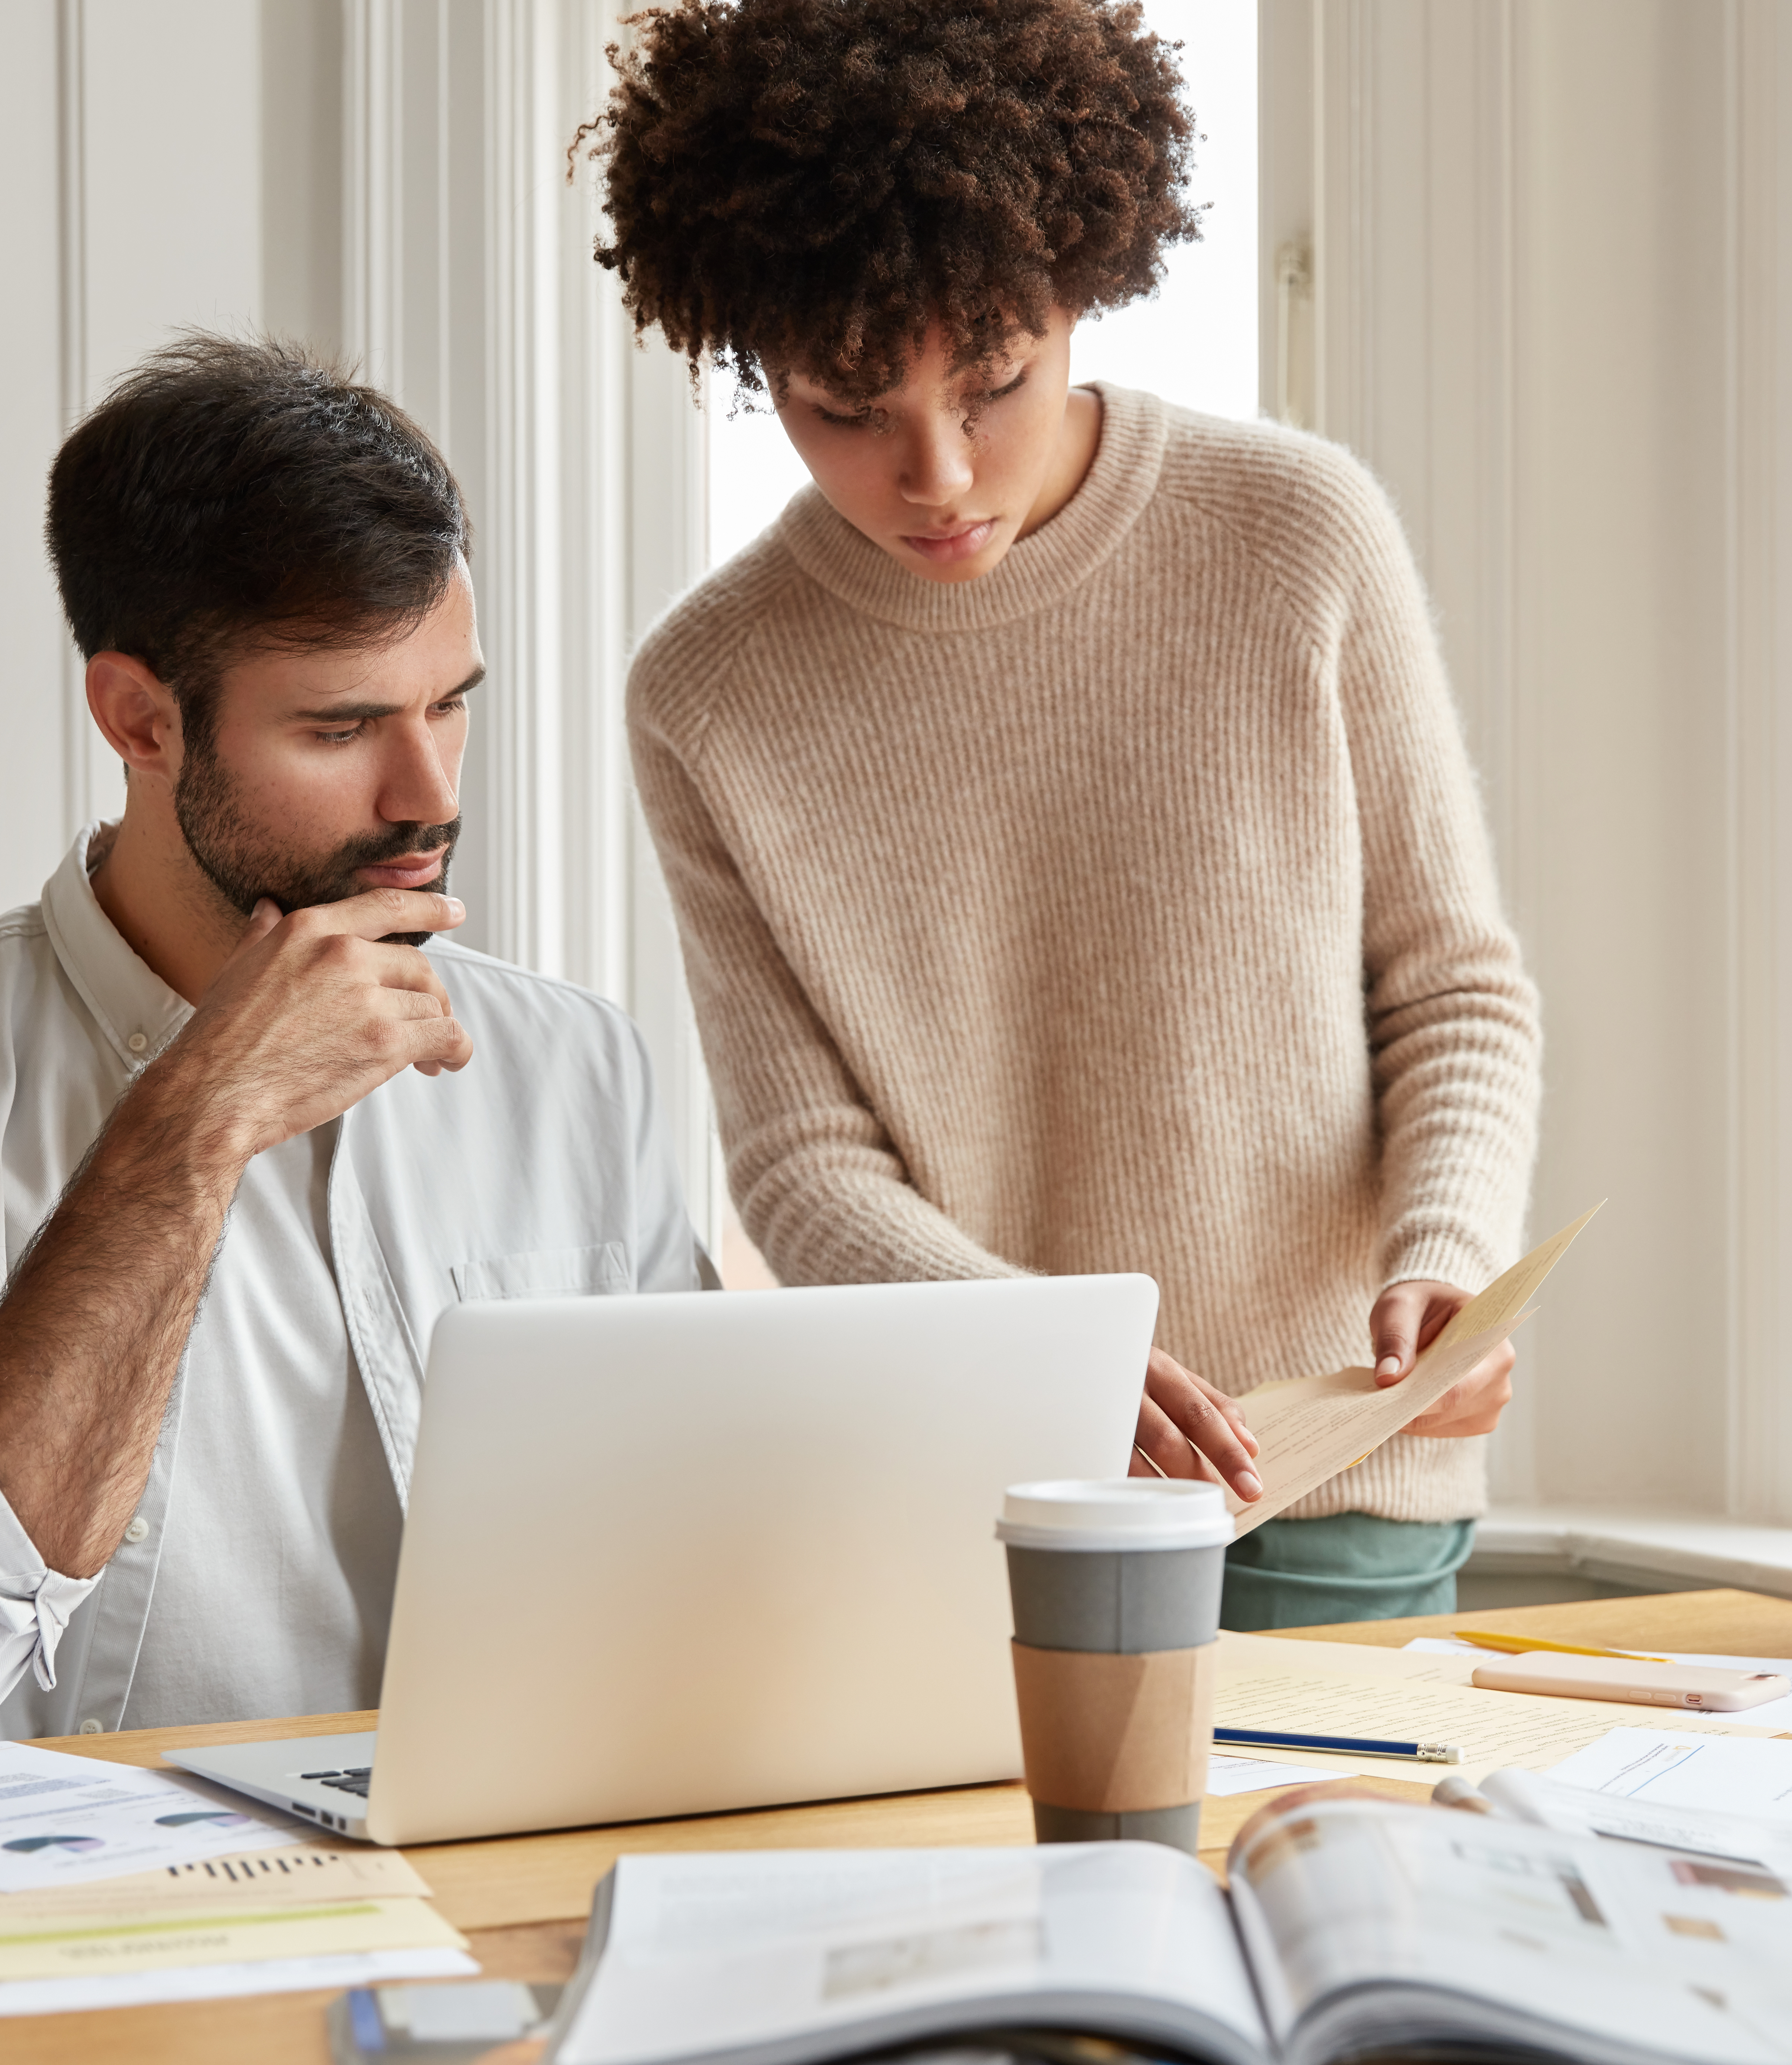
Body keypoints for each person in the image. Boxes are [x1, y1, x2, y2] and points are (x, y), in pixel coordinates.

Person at [592, 0, 1544, 1629]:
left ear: (1080, 289)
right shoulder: (711, 693)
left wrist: (1446, 1254)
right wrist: (1054, 1365)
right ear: (751, 357)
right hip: (980, 1500)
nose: (940, 472)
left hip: (1329, 1484)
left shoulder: (1297, 537)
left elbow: (1451, 985)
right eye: (847, 406)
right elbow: (802, 1161)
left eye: (994, 381)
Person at [0, 337, 708, 1756]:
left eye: (450, 705)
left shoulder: (577, 1071)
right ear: (139, 719)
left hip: (504, 1899)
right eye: (343, 725)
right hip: (79, 1933)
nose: (426, 793)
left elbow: (703, 1568)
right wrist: (194, 1121)